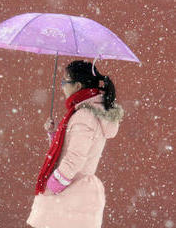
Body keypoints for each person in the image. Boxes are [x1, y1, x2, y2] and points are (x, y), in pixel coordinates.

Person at [26, 60, 124, 228]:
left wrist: (55, 184)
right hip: (78, 191)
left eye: (65, 81)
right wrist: (54, 134)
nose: (62, 86)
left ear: (77, 86)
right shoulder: (88, 111)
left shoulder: (84, 115)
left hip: (71, 192)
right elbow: (73, 147)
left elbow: (76, 156)